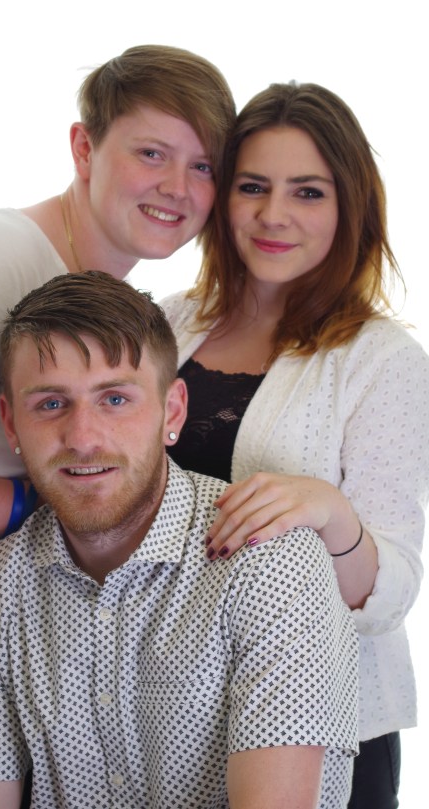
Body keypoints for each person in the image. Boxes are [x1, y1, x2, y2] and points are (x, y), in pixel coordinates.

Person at [0, 45, 236, 809]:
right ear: (84, 148)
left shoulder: (94, 289)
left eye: (205, 166)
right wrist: (37, 501)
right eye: (152, 153)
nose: (177, 188)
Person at [0, 271, 358, 809]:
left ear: (173, 411)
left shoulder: (271, 561)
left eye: (114, 399)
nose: (83, 438)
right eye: (50, 404)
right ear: (12, 425)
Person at [162, 82, 429, 809]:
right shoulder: (165, 324)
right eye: (253, 186)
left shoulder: (382, 359)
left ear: (351, 207)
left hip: (324, 726)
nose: (274, 215)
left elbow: (391, 594)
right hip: (173, 709)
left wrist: (329, 510)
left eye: (308, 192)